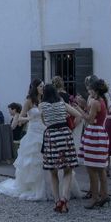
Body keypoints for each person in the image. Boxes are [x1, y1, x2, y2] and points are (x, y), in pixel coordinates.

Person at [0, 79, 50, 201]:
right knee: (33, 159)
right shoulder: (29, 101)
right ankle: (32, 186)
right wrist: (30, 117)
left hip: (44, 129)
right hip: (33, 131)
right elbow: (20, 119)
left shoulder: (44, 99)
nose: (42, 88)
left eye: (43, 86)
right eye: (40, 86)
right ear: (35, 88)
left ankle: (49, 186)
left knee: (46, 156)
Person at [40, 84, 83, 213]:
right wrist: (72, 127)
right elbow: (78, 115)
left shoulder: (42, 106)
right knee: (67, 170)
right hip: (64, 134)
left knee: (53, 172)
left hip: (51, 136)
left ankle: (57, 201)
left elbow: (44, 122)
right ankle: (64, 199)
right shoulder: (62, 103)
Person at [76, 77, 110, 208]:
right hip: (100, 133)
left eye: (90, 89)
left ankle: (95, 198)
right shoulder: (103, 101)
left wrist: (79, 109)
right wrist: (85, 106)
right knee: (101, 168)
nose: (89, 91)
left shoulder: (96, 102)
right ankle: (104, 195)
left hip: (93, 134)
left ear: (95, 90)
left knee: (91, 169)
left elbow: (89, 120)